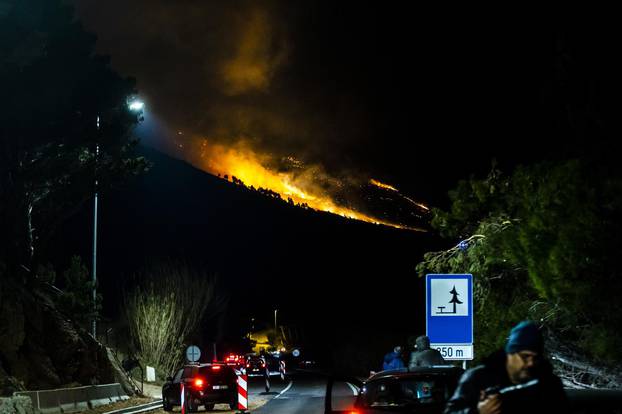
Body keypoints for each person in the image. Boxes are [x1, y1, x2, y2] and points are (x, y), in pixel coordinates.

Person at [444, 320, 568, 414]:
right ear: (510, 354)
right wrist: (478, 412)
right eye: (525, 356)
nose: (531, 363)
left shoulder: (549, 384)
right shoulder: (478, 378)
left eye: (535, 358)